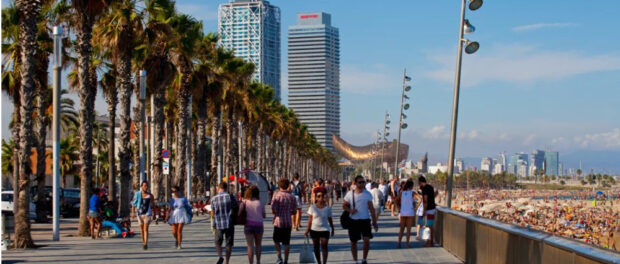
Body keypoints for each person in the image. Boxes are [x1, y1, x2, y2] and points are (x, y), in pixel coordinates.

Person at [343, 175, 378, 264]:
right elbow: (344, 205)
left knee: (366, 240)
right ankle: (355, 261)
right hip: (353, 221)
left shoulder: (367, 194)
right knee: (353, 242)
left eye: (363, 182)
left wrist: (374, 222)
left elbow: (371, 209)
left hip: (365, 220)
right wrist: (350, 210)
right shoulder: (349, 194)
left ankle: (364, 259)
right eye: (360, 182)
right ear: (355, 183)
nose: (362, 184)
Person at [305, 188, 335, 264]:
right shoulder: (312, 207)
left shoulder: (328, 208)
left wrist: (332, 228)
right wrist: (307, 230)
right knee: (316, 248)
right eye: (319, 196)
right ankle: (319, 262)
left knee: (324, 246)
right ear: (316, 198)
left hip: (325, 230)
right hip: (314, 230)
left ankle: (324, 262)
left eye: (322, 196)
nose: (321, 198)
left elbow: (330, 219)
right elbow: (310, 220)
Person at [271, 178, 297, 264]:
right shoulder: (292, 197)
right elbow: (294, 211)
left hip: (278, 221)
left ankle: (279, 258)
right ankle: (286, 260)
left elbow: (273, 210)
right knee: (286, 242)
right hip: (288, 222)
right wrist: (289, 212)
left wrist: (277, 212)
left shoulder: (276, 195)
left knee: (276, 240)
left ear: (279, 185)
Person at [211, 182, 237, 264]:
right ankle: (227, 262)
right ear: (226, 188)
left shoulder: (214, 198)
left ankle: (221, 256)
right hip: (229, 222)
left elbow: (212, 212)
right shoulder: (230, 197)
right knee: (228, 244)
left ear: (218, 188)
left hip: (218, 223)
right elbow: (236, 206)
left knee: (217, 242)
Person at [242, 185, 266, 264]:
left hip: (248, 225)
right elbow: (264, 215)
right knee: (258, 245)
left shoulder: (245, 202)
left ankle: (251, 262)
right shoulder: (260, 203)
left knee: (250, 246)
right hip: (259, 225)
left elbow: (239, 213)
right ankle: (258, 261)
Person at [132, 181, 155, 250]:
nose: (146, 187)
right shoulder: (137, 194)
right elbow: (134, 204)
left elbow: (153, 205)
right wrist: (133, 212)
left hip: (147, 214)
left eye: (147, 186)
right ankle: (143, 241)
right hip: (139, 214)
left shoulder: (150, 195)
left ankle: (145, 243)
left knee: (145, 228)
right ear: (141, 186)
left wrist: (154, 214)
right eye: (144, 186)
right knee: (141, 229)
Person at [397, 179, 415, 248]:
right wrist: (415, 208)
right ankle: (407, 244)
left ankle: (399, 243)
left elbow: (395, 200)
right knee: (408, 229)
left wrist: (398, 208)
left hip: (403, 212)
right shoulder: (412, 193)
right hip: (410, 212)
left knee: (401, 229)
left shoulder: (402, 192)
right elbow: (419, 199)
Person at [419, 176, 437, 247]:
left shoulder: (425, 189)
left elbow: (425, 200)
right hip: (432, 208)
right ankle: (431, 241)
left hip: (429, 209)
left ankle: (429, 242)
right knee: (431, 226)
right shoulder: (430, 187)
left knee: (429, 226)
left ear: (420, 182)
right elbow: (434, 194)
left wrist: (424, 211)